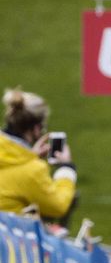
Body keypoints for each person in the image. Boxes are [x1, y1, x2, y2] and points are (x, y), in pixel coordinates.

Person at [0, 88, 77, 223]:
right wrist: (66, 169)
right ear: (36, 129)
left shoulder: (24, 164)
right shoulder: (32, 171)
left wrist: (29, 156)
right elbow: (57, 206)